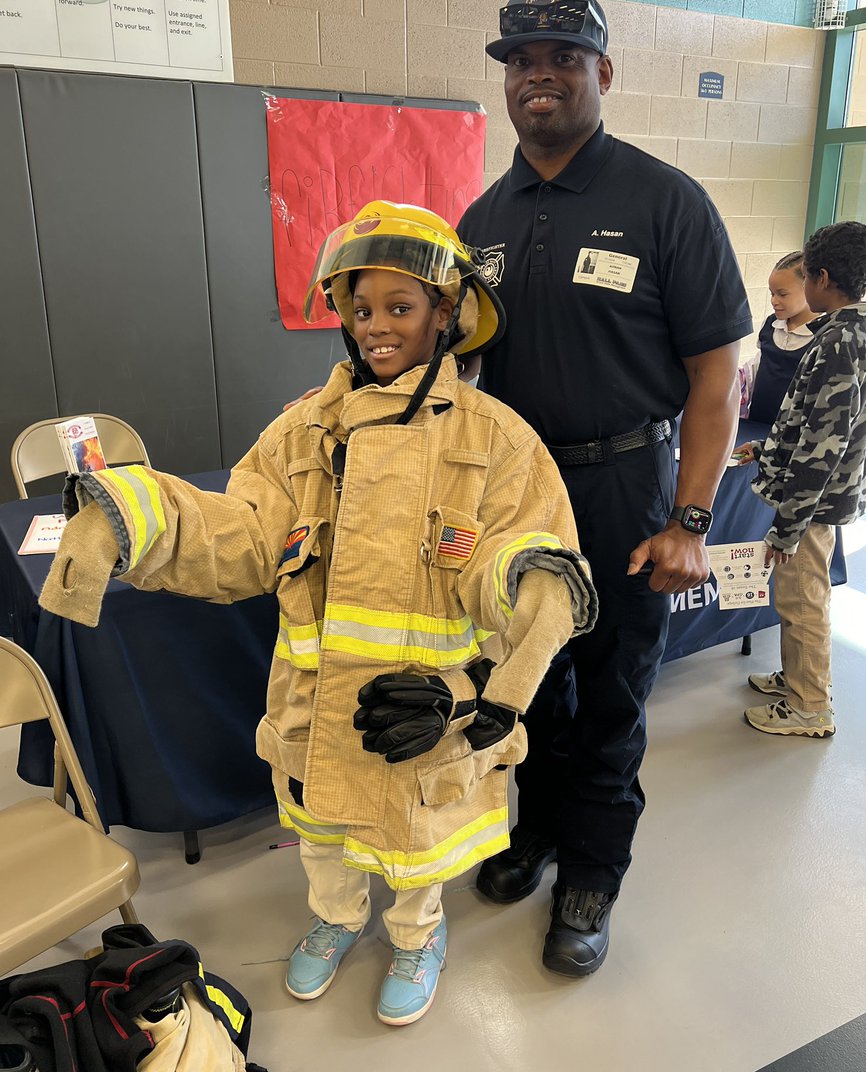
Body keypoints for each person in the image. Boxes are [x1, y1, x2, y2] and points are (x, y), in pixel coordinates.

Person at [38, 201, 597, 1027]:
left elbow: (513, 567)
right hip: (315, 704)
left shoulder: (498, 443)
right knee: (322, 838)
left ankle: (417, 938)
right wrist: (138, 511)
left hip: (423, 710)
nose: (376, 328)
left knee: (413, 848)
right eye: (359, 308)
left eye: (399, 308)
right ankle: (336, 921)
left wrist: (488, 676)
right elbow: (243, 533)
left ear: (448, 313)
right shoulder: (304, 431)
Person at [455, 0, 754, 977]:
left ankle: (591, 869)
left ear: (602, 74)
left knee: (616, 693)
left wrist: (692, 519)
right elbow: (454, 372)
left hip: (625, 483)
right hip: (517, 496)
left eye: (562, 60)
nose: (539, 77)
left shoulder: (664, 201)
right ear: (506, 79)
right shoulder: (482, 217)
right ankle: (536, 831)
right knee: (531, 681)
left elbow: (716, 378)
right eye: (521, 61)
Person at [734, 221, 866, 737]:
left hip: (814, 506)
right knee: (799, 595)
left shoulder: (839, 340)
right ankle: (798, 677)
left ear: (820, 278)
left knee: (802, 599)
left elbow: (825, 448)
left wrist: (789, 525)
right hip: (817, 495)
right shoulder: (851, 331)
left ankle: (809, 705)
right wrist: (768, 450)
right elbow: (810, 423)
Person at [739, 251, 818, 423]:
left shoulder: (823, 335)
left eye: (782, 294)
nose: (774, 301)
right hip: (757, 424)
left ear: (808, 288)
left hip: (792, 433)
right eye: (772, 293)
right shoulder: (771, 325)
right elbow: (757, 366)